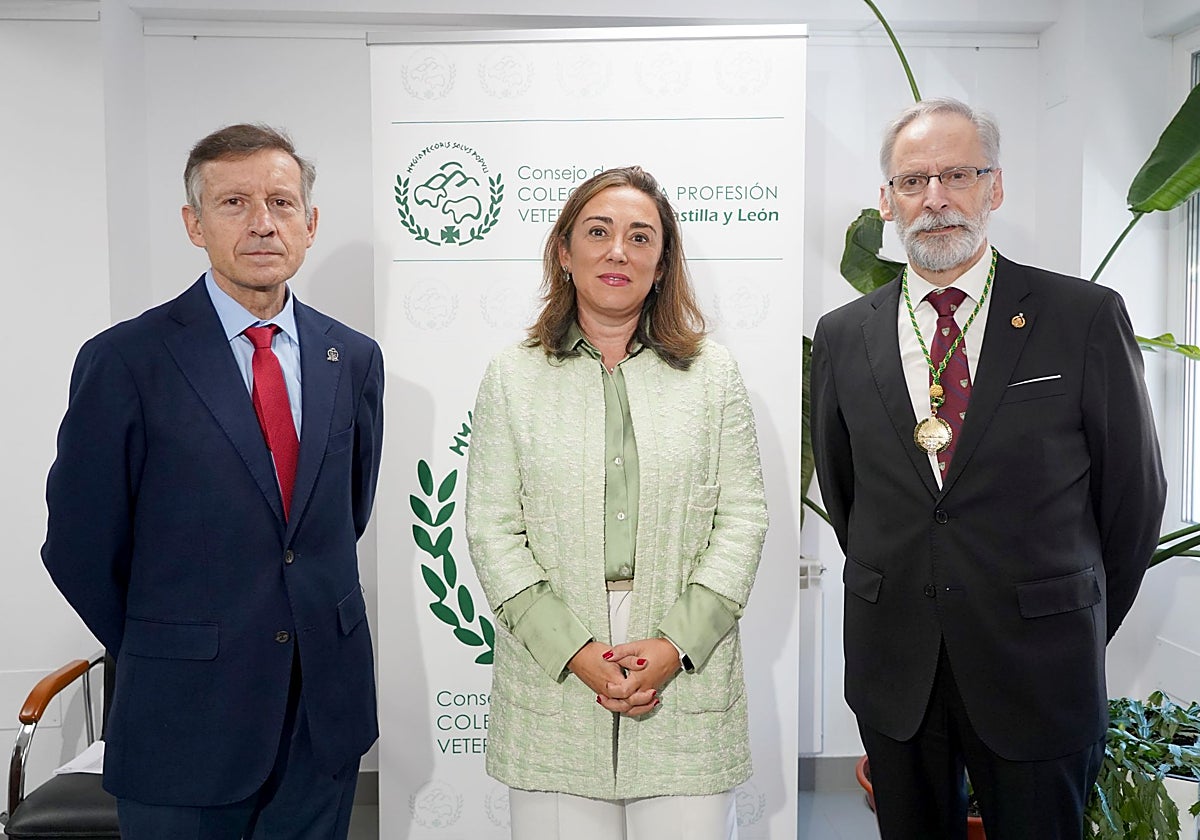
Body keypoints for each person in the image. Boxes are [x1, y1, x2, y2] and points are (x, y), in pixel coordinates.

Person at [810, 96, 1167, 839]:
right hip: (897, 666)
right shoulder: (843, 336)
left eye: (958, 175)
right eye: (913, 181)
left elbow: (1132, 500)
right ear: (888, 200)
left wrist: (1067, 616)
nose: (935, 198)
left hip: (1039, 666)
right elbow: (847, 496)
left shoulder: (1081, 317)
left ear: (994, 187)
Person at [41, 123, 384, 840]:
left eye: (281, 203)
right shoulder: (126, 360)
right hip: (183, 720)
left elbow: (340, 516)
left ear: (310, 223)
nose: (263, 223)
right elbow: (79, 546)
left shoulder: (351, 357)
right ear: (194, 224)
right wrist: (171, 645)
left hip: (320, 716)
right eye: (234, 203)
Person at [464, 166, 768, 840]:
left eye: (640, 237)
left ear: (661, 264)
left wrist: (674, 644)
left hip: (682, 655)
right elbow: (490, 528)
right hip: (555, 659)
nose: (618, 252)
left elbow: (743, 519)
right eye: (598, 232)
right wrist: (572, 649)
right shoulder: (512, 376)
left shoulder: (712, 374)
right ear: (564, 253)